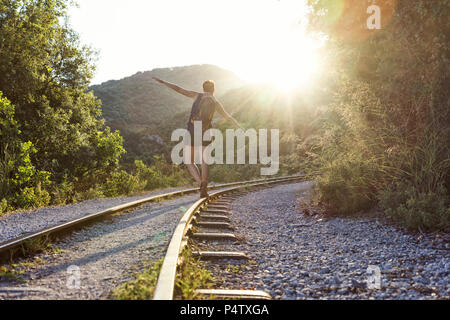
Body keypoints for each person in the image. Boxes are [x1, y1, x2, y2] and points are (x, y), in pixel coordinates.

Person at [153, 77, 242, 198]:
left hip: (193, 129)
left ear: (203, 88)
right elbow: (228, 117)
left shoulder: (197, 96)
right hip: (206, 131)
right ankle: (204, 183)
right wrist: (239, 127)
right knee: (205, 160)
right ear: (213, 90)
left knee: (189, 160)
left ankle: (200, 184)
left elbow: (179, 89)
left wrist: (163, 82)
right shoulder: (215, 102)